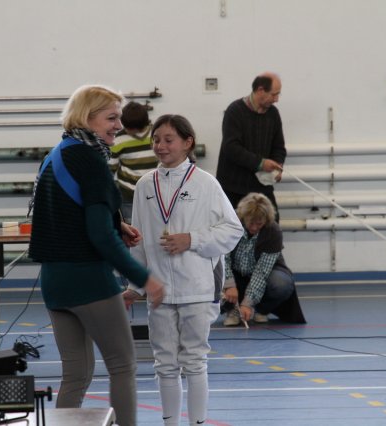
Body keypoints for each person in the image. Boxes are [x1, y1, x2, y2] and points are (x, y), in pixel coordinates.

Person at [28, 84, 165, 426]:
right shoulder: (91, 161)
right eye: (111, 118)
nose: (119, 125)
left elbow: (65, 212)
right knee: (123, 366)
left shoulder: (56, 154)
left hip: (54, 283)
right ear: (86, 118)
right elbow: (99, 237)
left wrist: (116, 222)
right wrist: (144, 278)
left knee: (76, 375)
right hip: (89, 280)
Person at [123, 114, 243, 426]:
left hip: (198, 288)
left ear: (188, 143)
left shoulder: (206, 183)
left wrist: (192, 239)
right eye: (156, 140)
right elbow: (138, 241)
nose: (160, 146)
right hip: (159, 290)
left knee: (194, 362)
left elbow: (233, 230)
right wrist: (135, 287)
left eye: (168, 140)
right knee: (164, 364)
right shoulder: (144, 185)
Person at [221, 192, 306, 326]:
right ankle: (232, 310)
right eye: (251, 223)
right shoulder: (230, 224)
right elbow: (223, 257)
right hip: (234, 271)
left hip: (264, 272)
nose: (254, 228)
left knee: (281, 284)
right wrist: (229, 285)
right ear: (243, 217)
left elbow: (261, 272)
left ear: (266, 220)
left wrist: (248, 303)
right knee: (211, 278)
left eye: (259, 224)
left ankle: (259, 309)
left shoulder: (273, 231)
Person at [216, 71, 287, 221]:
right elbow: (231, 148)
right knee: (234, 230)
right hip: (233, 188)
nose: (276, 99)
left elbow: (279, 147)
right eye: (274, 94)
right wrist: (260, 163)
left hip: (262, 188)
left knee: (272, 226)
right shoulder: (235, 111)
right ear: (260, 90)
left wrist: (278, 165)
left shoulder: (273, 114)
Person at [108, 101, 158, 223]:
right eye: (128, 128)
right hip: (129, 193)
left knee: (155, 223)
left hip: (156, 192)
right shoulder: (117, 139)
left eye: (134, 129)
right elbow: (110, 168)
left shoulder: (156, 135)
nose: (131, 131)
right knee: (132, 225)